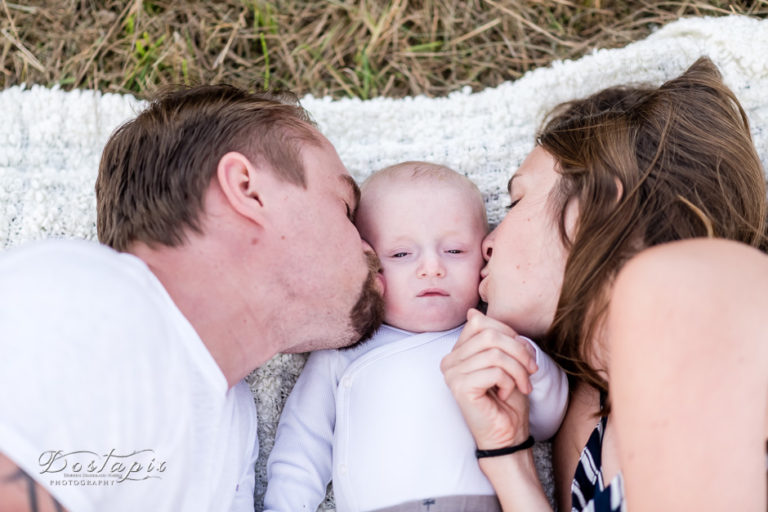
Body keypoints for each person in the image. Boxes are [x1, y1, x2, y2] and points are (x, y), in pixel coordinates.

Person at [0, 85, 384, 511]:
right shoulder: (82, 301)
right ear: (247, 188)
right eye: (346, 208)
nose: (371, 247)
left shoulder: (233, 422)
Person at [440, 56, 768, 511]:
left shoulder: (699, 282)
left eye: (516, 201)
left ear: (600, 202)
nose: (487, 244)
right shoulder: (588, 424)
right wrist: (506, 453)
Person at [264, 162, 569, 512]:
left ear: (485, 257)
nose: (432, 268)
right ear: (367, 266)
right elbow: (302, 445)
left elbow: (545, 423)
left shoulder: (486, 341)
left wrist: (525, 358)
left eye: (454, 251)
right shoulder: (343, 351)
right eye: (401, 254)